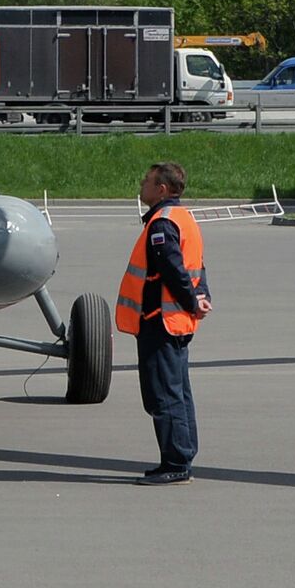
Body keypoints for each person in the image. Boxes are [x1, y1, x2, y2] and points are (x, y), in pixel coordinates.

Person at [115, 162, 212, 486]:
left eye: (147, 180)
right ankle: (181, 456)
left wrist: (190, 300)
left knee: (164, 395)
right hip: (178, 321)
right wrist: (199, 298)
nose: (141, 184)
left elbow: (173, 269)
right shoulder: (183, 218)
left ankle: (176, 462)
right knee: (179, 392)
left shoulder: (162, 224)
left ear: (162, 190)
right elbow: (196, 265)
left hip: (161, 321)